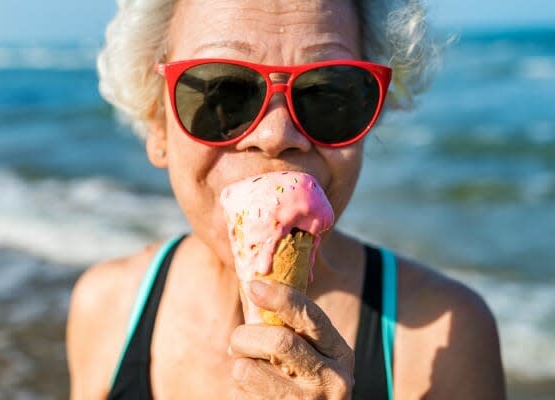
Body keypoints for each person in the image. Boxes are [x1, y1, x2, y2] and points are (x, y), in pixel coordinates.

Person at [67, 0, 506, 398]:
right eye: (224, 92)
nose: (277, 136)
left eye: (327, 93)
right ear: (156, 120)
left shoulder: (445, 333)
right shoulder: (107, 308)